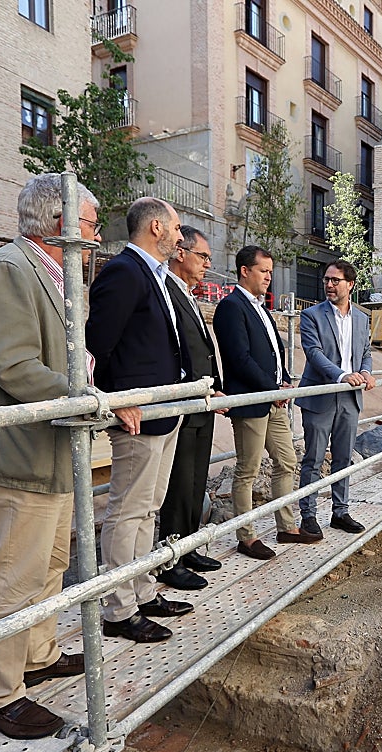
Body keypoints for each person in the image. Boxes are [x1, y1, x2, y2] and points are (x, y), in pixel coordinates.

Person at [0, 173, 101, 739]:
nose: (93, 236)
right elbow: (13, 366)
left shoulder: (53, 273)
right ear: (59, 223)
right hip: (22, 453)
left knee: (51, 563)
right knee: (16, 574)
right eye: (88, 224)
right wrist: (85, 397)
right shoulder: (8, 270)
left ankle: (37, 655)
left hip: (52, 449)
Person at [86, 197, 193, 643]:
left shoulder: (155, 275)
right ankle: (118, 609)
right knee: (127, 511)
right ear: (155, 228)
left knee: (148, 508)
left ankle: (143, 591)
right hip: (138, 417)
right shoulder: (124, 272)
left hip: (163, 412)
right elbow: (96, 345)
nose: (181, 237)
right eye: (177, 228)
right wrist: (115, 399)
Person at [212, 245, 321, 560]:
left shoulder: (261, 307)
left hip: (272, 399)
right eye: (263, 271)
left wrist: (283, 379)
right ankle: (246, 537)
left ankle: (286, 527)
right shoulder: (231, 307)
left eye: (271, 272)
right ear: (245, 271)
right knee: (247, 469)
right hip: (252, 401)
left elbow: (274, 351)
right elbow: (239, 358)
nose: (269, 277)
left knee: (286, 461)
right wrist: (273, 388)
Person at [157, 226, 225, 586]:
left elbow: (203, 350)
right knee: (179, 483)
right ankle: (172, 558)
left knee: (197, 479)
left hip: (203, 402)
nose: (207, 264)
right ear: (180, 253)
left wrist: (216, 389)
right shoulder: (166, 290)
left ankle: (189, 545)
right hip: (183, 403)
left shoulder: (188, 294)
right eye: (203, 256)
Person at [295, 260, 376, 534]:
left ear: (350, 284)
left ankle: (340, 512)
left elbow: (365, 352)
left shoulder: (362, 319)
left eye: (335, 280)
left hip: (350, 399)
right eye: (326, 280)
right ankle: (308, 515)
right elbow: (314, 353)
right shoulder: (312, 315)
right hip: (321, 397)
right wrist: (342, 376)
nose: (329, 285)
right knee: (314, 459)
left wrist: (365, 372)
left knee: (343, 458)